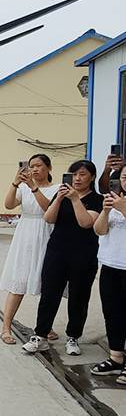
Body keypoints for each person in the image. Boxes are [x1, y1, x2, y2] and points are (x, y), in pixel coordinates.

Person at [22, 160, 103, 355]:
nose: (77, 178)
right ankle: (40, 335)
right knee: (50, 294)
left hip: (84, 254)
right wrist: (59, 199)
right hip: (57, 251)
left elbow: (86, 223)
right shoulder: (61, 196)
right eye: (73, 174)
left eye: (82, 174)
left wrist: (75, 199)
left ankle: (73, 337)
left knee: (78, 296)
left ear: (92, 177)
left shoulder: (97, 200)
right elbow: (49, 218)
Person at [0, 155, 59, 344]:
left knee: (46, 284)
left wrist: (34, 187)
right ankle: (6, 327)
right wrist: (15, 183)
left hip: (47, 232)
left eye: (39, 166)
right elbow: (8, 204)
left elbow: (48, 209)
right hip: (25, 235)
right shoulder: (23, 188)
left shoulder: (57, 189)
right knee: (19, 281)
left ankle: (44, 326)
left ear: (48, 167)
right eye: (31, 166)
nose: (34, 169)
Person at [90, 163, 126, 381]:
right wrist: (106, 210)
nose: (125, 180)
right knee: (112, 313)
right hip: (111, 265)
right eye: (124, 176)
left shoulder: (121, 204)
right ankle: (116, 358)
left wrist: (122, 208)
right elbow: (99, 230)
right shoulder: (114, 201)